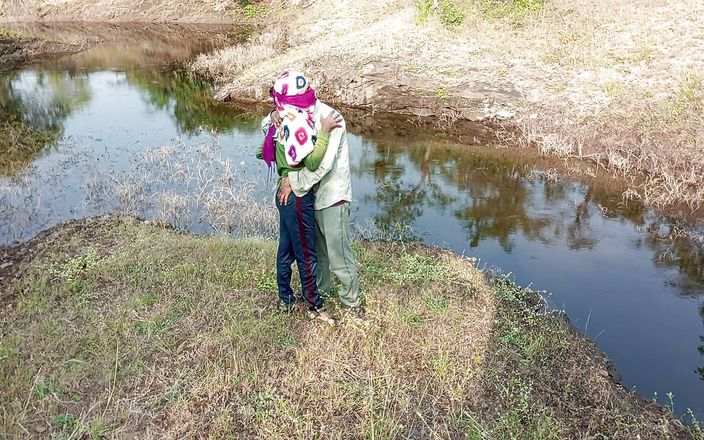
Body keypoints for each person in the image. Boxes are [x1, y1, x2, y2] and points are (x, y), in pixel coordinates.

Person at [268, 75, 363, 319]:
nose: (285, 109)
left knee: (338, 254)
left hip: (331, 195)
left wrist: (292, 180)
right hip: (310, 195)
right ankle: (319, 292)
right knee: (317, 252)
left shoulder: (331, 119)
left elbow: (323, 165)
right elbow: (270, 129)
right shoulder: (293, 112)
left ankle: (351, 303)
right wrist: (271, 117)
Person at [257, 71, 339, 325]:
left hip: (283, 196)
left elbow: (262, 152)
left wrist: (284, 171)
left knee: (286, 249)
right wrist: (324, 132)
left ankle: (285, 298)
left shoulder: (280, 118)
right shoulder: (297, 122)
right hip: (298, 196)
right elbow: (313, 162)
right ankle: (314, 305)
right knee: (306, 253)